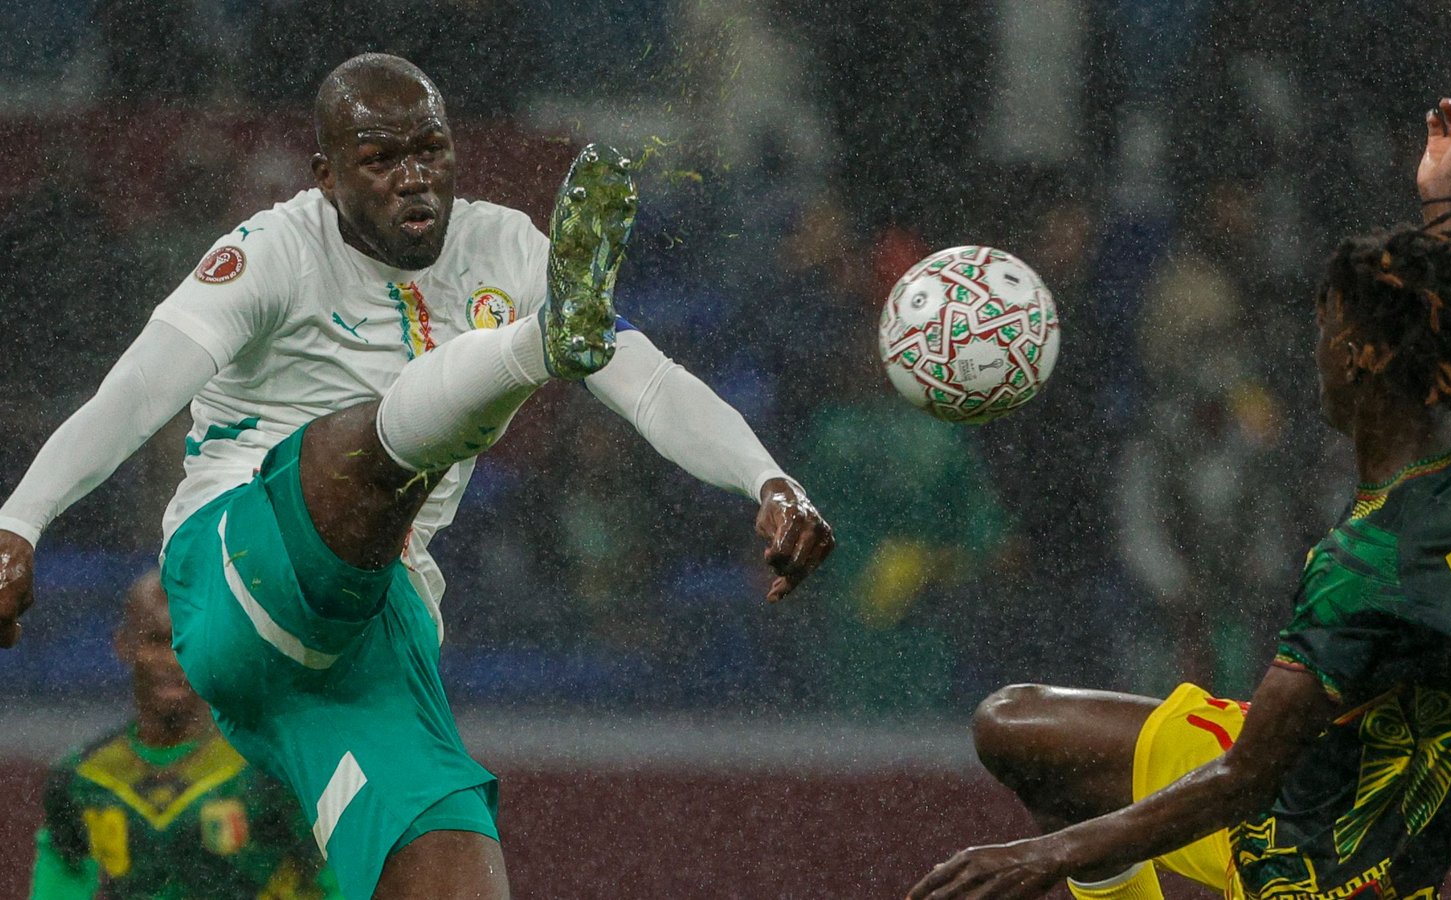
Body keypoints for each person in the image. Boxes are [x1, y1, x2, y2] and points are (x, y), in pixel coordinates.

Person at [0, 53, 833, 900]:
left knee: (452, 876)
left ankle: (538, 346)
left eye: (430, 150)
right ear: (326, 175)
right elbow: (136, 394)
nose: (415, 179)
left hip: (376, 627)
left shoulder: (502, 244)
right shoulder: (269, 252)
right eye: (381, 160)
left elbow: (648, 382)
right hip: (234, 568)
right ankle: (536, 347)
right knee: (343, 451)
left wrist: (769, 479)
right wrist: (20, 522)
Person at [909, 86, 1451, 900]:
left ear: (1357, 358)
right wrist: (1446, 192)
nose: (1312, 347)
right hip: (1356, 777)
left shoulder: (1365, 568)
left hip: (1315, 859)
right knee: (1021, 729)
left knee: (1078, 803)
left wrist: (1050, 857)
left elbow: (1244, 784)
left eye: (1324, 327)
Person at [30, 571, 340, 898]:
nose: (173, 659)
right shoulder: (83, 778)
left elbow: (329, 879)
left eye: (186, 640)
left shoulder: (270, 768)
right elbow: (61, 882)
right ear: (124, 645)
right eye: (156, 640)